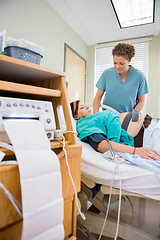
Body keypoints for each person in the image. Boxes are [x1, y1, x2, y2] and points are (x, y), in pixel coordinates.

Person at [70, 100, 160, 161]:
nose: (87, 107)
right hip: (146, 136)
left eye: (84, 105)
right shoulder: (84, 124)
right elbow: (101, 144)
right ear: (76, 117)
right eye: (82, 108)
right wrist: (135, 151)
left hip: (151, 127)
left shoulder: (94, 118)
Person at [93, 43, 149, 113]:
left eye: (121, 64)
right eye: (115, 63)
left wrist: (132, 115)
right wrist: (95, 114)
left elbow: (141, 101)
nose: (117, 67)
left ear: (129, 60)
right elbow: (98, 97)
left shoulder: (139, 76)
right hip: (108, 115)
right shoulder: (107, 74)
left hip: (127, 116)